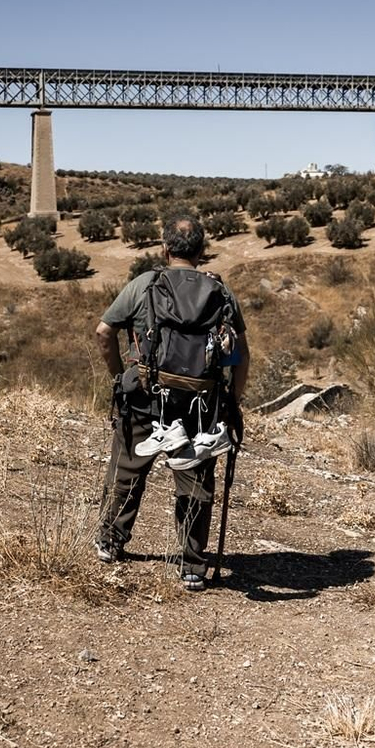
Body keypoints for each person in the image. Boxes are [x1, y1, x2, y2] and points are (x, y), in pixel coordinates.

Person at [93, 213, 249, 591]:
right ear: (201, 250)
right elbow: (241, 355)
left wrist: (119, 377)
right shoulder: (221, 292)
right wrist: (232, 401)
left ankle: (111, 542)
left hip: (145, 397)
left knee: (127, 470)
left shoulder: (145, 285)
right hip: (201, 405)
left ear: (165, 249)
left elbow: (103, 332)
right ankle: (192, 565)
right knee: (194, 482)